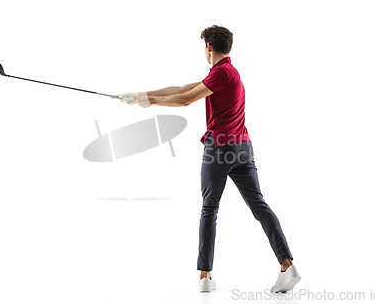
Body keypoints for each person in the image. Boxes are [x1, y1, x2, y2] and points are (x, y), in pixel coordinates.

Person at [118, 25, 301, 293]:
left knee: (209, 208)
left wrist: (151, 101)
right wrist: (142, 96)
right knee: (259, 205)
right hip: (242, 147)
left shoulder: (222, 73)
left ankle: (205, 276)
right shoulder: (226, 72)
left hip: (220, 148)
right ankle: (288, 264)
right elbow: (182, 88)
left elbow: (184, 100)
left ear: (208, 47)